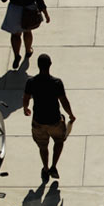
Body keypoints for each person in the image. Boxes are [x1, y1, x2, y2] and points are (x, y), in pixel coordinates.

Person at [23, 54, 76, 183]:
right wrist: (70, 114)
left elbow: (26, 97)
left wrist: (26, 108)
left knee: (43, 147)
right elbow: (64, 101)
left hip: (38, 121)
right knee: (59, 141)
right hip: (55, 121)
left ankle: (45, 168)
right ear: (50, 64)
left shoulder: (31, 82)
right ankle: (53, 166)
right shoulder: (56, 82)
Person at [0, 0, 51, 69]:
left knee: (15, 35)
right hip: (29, 10)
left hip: (14, 11)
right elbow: (39, 0)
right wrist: (46, 15)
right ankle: (28, 50)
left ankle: (16, 55)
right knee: (27, 31)